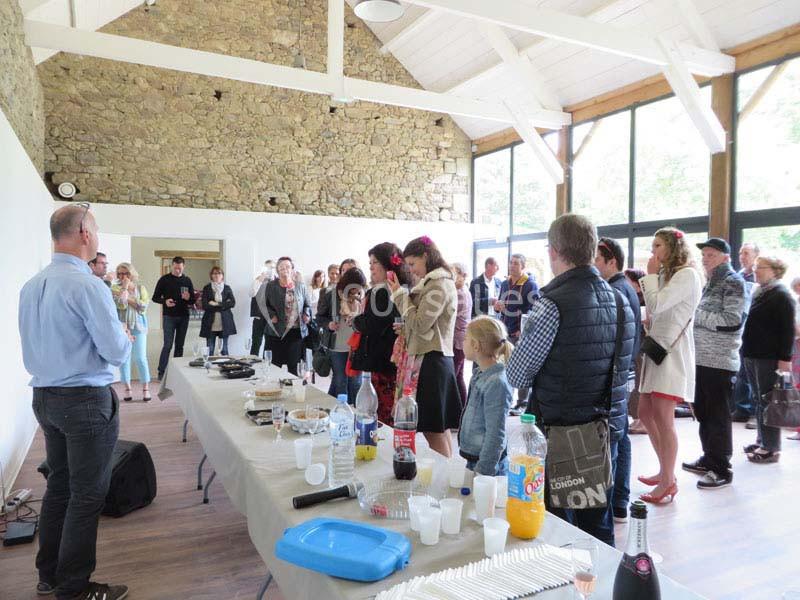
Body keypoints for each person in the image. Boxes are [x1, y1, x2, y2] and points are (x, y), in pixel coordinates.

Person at [19, 203, 131, 600]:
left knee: (60, 488)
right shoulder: (87, 286)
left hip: (45, 398)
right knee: (87, 496)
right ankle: (74, 588)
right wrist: (123, 334)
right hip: (84, 400)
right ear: (84, 232)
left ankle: (48, 575)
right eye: (97, 231)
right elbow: (115, 351)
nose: (97, 238)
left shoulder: (32, 285)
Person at [507, 214, 634, 546]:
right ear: (593, 250)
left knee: (558, 529)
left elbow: (517, 373)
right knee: (598, 527)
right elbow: (625, 370)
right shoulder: (622, 301)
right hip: (607, 429)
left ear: (553, 252)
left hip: (562, 433)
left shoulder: (551, 305)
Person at [636, 228, 703, 504]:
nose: (654, 252)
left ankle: (667, 480)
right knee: (644, 411)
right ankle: (665, 471)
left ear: (673, 247)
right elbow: (656, 310)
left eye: (658, 246)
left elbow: (658, 303)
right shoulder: (669, 274)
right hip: (657, 349)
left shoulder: (688, 275)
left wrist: (649, 276)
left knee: (664, 417)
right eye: (653, 246)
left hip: (672, 354)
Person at [387, 236, 462, 458]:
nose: (411, 270)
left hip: (432, 361)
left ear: (426, 257)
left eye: (413, 264)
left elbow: (421, 324)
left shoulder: (439, 283)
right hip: (433, 358)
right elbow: (424, 325)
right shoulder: (434, 283)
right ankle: (447, 475)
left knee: (433, 429)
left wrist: (400, 296)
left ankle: (442, 479)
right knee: (439, 428)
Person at [682, 238, 747, 489]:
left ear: (725, 258)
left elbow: (732, 319)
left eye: (711, 255)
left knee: (718, 416)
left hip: (719, 361)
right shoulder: (711, 282)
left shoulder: (733, 281)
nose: (705, 259)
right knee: (704, 413)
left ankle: (721, 468)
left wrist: (696, 315)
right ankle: (709, 458)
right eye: (704, 255)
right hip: (701, 360)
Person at [595, 237, 641, 523]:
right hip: (623, 373)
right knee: (620, 437)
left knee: (614, 441)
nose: (594, 266)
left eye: (598, 261)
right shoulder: (622, 288)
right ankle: (620, 501)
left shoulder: (617, 291)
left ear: (612, 261)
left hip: (618, 375)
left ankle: (614, 502)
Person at [741, 256, 795, 463]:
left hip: (769, 357)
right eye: (756, 267)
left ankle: (771, 447)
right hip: (754, 354)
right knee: (758, 400)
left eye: (760, 268)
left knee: (767, 401)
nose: (756, 271)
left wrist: (785, 358)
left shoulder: (781, 295)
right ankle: (762, 440)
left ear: (775, 270)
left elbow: (786, 330)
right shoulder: (762, 292)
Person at [352, 243, 408, 424]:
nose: (370, 266)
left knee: (382, 411)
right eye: (370, 262)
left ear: (387, 265)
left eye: (375, 262)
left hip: (382, 359)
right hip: (385, 358)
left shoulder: (384, 292)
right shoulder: (390, 289)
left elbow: (373, 324)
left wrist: (355, 320)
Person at [458, 317, 515, 476]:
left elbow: (496, 434)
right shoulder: (478, 375)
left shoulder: (497, 383)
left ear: (475, 345)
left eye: (465, 339)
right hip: (473, 458)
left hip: (486, 466)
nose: (462, 343)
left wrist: (483, 471)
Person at [495, 253, 539, 411]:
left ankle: (522, 402)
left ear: (523, 266)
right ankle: (507, 399)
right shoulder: (505, 283)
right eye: (511, 263)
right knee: (506, 367)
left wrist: (523, 330)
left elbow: (534, 310)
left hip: (520, 333)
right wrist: (497, 306)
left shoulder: (530, 284)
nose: (512, 266)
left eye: (516, 264)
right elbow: (500, 303)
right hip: (505, 331)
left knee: (522, 367)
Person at [320, 267, 367, 404]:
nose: (355, 291)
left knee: (356, 382)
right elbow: (319, 318)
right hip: (337, 346)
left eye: (359, 288)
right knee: (340, 380)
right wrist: (329, 324)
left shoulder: (363, 297)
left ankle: (355, 412)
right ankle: (342, 411)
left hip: (356, 346)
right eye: (353, 288)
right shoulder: (332, 295)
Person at [111, 262, 151, 402]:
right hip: (122, 327)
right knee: (125, 359)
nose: (123, 276)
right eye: (120, 274)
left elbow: (143, 307)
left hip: (139, 326)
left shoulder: (141, 288)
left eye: (126, 273)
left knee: (140, 358)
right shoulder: (114, 288)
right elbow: (121, 304)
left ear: (131, 273)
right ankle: (127, 388)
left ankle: (145, 388)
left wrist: (128, 297)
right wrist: (126, 289)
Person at [264, 256, 311, 375]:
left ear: (292, 269)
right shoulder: (270, 286)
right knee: (275, 365)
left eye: (288, 267)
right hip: (276, 332)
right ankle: (273, 390)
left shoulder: (300, 286)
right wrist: (271, 315)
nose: (285, 269)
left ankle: (292, 391)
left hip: (295, 332)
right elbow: (264, 305)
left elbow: (307, 304)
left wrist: (306, 313)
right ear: (277, 270)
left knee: (293, 366)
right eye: (281, 267)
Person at [152, 256, 194, 380]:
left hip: (184, 316)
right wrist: (165, 301)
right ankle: (161, 371)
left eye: (180, 268)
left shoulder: (187, 280)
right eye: (175, 268)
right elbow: (155, 297)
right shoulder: (164, 279)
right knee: (168, 344)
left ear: (183, 267)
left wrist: (188, 299)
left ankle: (177, 371)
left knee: (180, 345)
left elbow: (192, 300)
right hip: (169, 317)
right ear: (172, 266)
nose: (178, 271)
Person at [731, 243, 760, 425]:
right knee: (741, 373)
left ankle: (755, 414)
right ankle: (741, 409)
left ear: (756, 255)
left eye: (746, 253)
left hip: (757, 333)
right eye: (741, 252)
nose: (742, 256)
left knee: (755, 376)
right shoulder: (738, 276)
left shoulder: (760, 280)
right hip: (739, 332)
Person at [624, 267, 648, 435]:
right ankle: (639, 419)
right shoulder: (633, 299)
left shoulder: (643, 302)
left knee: (641, 382)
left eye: (628, 281)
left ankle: (642, 421)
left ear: (638, 286)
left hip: (643, 346)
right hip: (638, 345)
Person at [200, 266, 237, 356]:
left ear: (222, 276)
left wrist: (216, 304)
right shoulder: (207, 288)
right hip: (210, 322)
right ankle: (209, 368)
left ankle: (226, 368)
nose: (217, 275)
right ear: (211, 276)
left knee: (225, 350)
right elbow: (205, 305)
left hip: (225, 322)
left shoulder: (227, 288)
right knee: (210, 350)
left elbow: (232, 303)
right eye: (214, 273)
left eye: (219, 273)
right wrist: (224, 304)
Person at [452, 262, 473, 408]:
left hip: (457, 341)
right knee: (458, 378)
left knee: (453, 379)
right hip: (461, 340)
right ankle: (461, 412)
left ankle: (458, 413)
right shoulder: (464, 290)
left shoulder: (459, 293)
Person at [249, 260, 275, 356]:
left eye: (272, 268)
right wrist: (260, 279)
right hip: (259, 317)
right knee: (256, 343)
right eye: (268, 268)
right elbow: (251, 293)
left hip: (272, 318)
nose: (270, 270)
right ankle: (253, 365)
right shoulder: (258, 280)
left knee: (270, 345)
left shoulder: (278, 281)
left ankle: (267, 365)